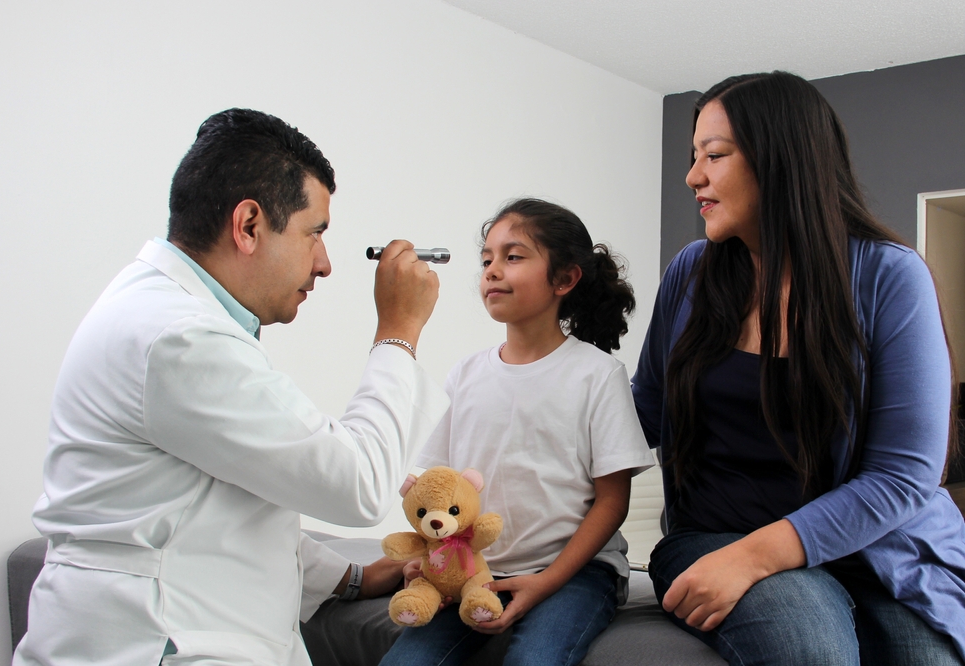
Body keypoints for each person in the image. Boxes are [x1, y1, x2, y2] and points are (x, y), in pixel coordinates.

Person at [13, 108, 451, 666]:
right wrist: (399, 330)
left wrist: (351, 578)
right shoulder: (179, 337)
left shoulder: (162, 311)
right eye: (315, 233)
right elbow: (359, 483)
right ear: (247, 225)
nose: (324, 264)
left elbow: (218, 503)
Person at [632, 71, 965, 665]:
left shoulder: (890, 276)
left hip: (878, 546)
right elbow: (642, 414)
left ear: (781, 158)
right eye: (693, 156)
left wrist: (757, 556)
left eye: (715, 155)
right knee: (811, 651)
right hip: (717, 534)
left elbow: (904, 476)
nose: (693, 176)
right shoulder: (691, 273)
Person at [380, 198, 655, 666]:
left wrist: (545, 583)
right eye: (486, 259)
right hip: (476, 569)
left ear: (564, 279)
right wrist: (432, 561)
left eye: (512, 256)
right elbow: (443, 488)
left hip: (576, 573)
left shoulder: (598, 374)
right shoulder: (465, 374)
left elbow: (613, 501)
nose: (491, 270)